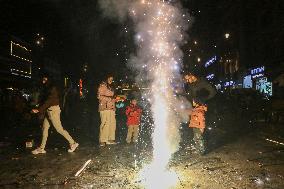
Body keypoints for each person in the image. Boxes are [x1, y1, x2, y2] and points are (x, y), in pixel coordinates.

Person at [31, 75, 79, 155]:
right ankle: (41, 148)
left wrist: (39, 110)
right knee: (45, 128)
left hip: (53, 110)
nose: (43, 81)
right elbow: (44, 100)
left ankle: (73, 143)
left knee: (59, 129)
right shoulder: (47, 88)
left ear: (49, 80)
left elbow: (49, 101)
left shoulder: (52, 88)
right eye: (42, 79)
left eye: (45, 79)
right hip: (48, 110)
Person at [97, 75, 116, 147]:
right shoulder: (103, 85)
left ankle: (110, 139)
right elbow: (99, 96)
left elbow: (112, 97)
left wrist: (117, 99)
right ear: (106, 78)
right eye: (110, 78)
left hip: (111, 107)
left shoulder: (111, 87)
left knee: (112, 123)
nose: (111, 80)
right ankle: (102, 140)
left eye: (112, 79)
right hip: (104, 107)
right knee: (105, 123)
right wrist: (109, 99)